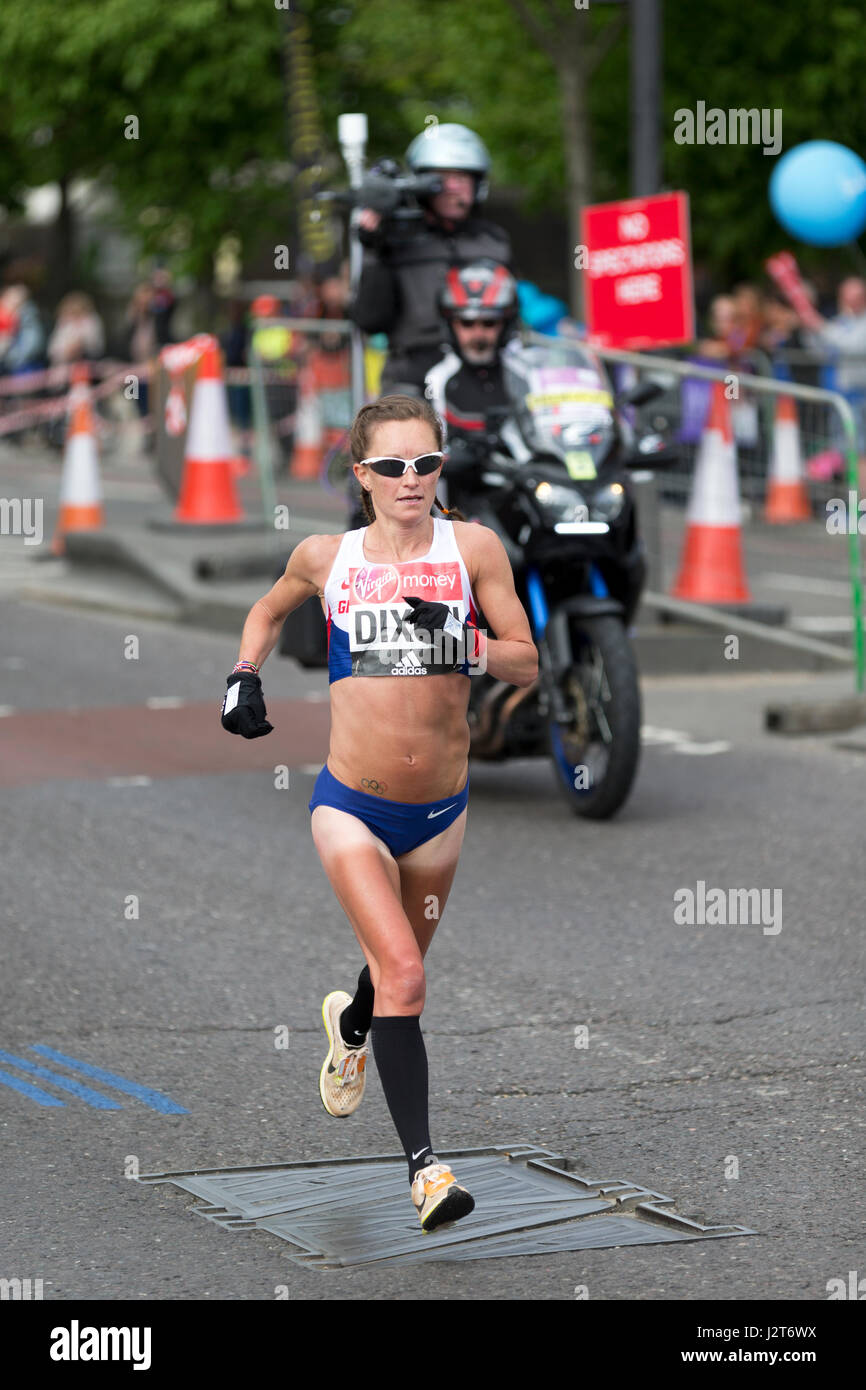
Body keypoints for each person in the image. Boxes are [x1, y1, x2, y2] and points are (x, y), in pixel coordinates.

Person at [221, 393, 538, 1231]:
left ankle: (350, 1026)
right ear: (362, 475)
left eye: (426, 464)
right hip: (350, 808)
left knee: (389, 977)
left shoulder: (472, 548)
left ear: (443, 469)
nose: (411, 480)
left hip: (441, 812)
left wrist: (466, 639)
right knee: (407, 974)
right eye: (392, 466)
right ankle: (427, 1172)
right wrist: (242, 675)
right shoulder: (328, 556)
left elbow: (527, 663)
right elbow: (266, 610)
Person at [349, 123, 512, 397]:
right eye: (440, 179)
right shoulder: (397, 240)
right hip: (414, 373)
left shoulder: (493, 240)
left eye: (461, 178)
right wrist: (376, 250)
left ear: (478, 184)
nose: (451, 188)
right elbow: (369, 319)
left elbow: (513, 311)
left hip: (486, 371)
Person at [424, 260, 519, 512]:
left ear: (505, 323)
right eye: (467, 323)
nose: (478, 334)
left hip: (522, 497)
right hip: (454, 510)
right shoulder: (433, 377)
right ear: (450, 324)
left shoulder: (524, 370)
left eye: (489, 323)